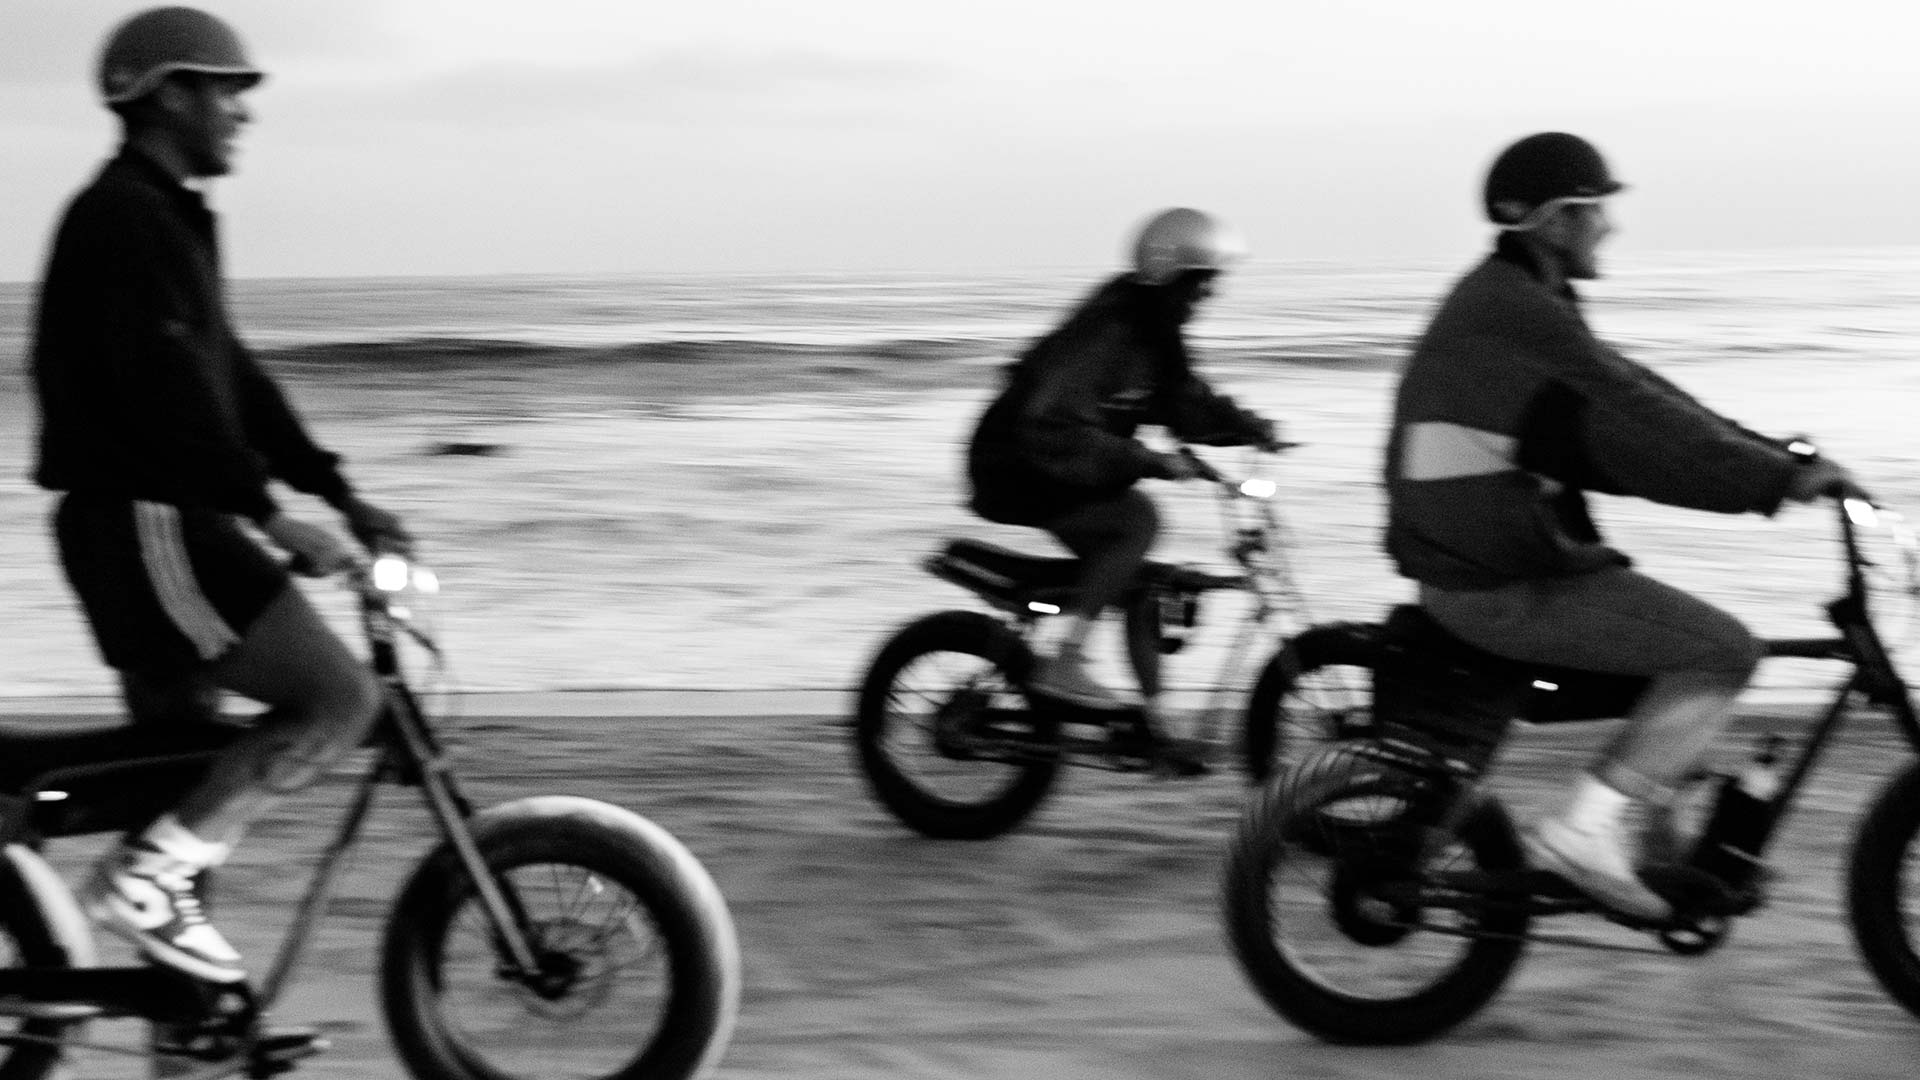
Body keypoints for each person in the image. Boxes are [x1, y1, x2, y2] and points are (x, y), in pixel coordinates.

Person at [1382, 132, 1860, 919]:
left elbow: (1637, 396)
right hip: (1499, 579)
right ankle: (1582, 831)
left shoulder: (1510, 296)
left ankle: (1661, 846)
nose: (1610, 226)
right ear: (1556, 219)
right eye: (1596, 209)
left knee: (1670, 645)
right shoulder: (1516, 310)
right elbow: (1633, 417)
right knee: (1721, 650)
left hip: (1477, 560)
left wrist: (1771, 457)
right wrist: (1774, 479)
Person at [30, 6, 411, 983]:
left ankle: (182, 1020)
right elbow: (172, 397)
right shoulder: (125, 218)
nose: (244, 113)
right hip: (148, 521)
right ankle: (141, 888)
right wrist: (271, 514)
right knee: (338, 698)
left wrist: (336, 492)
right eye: (227, 91)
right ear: (169, 96)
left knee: (184, 778)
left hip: (140, 522)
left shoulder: (165, 220)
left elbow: (231, 380)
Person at [967, 207, 1277, 775]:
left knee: (1145, 584)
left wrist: (1250, 428)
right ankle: (1065, 659)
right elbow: (1051, 424)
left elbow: (1185, 403)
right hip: (1016, 465)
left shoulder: (1155, 334)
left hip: (1059, 467)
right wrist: (1151, 461)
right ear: (1169, 276)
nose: (1207, 295)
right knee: (1137, 521)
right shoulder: (1108, 332)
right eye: (1201, 283)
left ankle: (1158, 727)